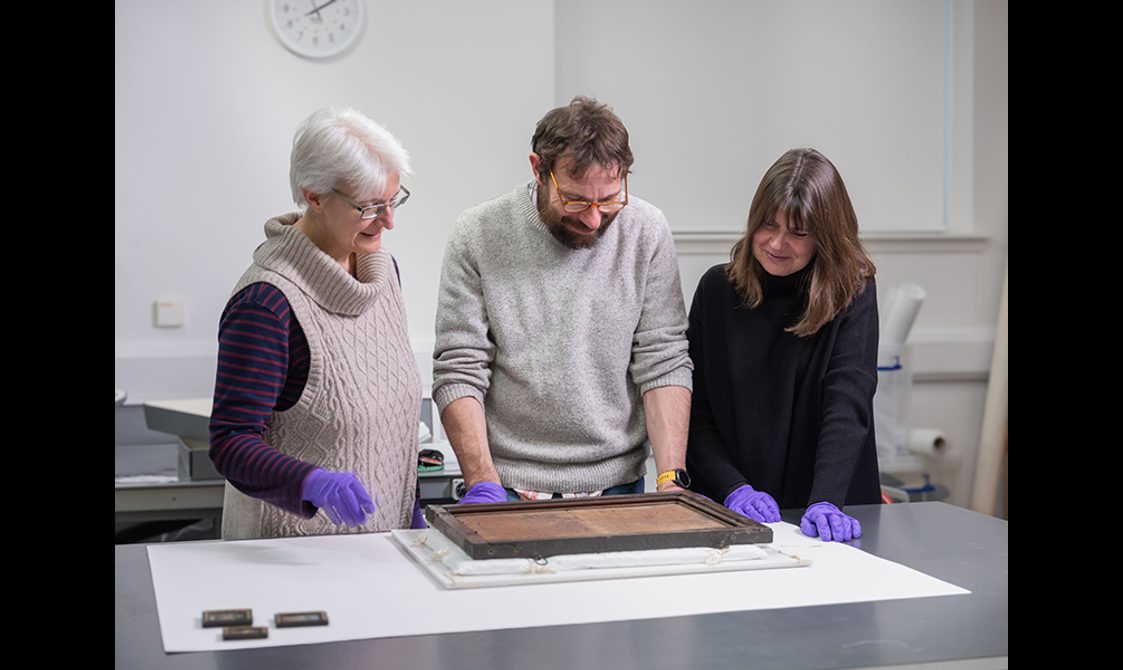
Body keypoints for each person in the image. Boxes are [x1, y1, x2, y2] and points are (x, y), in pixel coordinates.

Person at [432, 96, 693, 504]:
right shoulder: (478, 233)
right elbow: (460, 368)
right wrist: (482, 481)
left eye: (609, 200)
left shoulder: (647, 231)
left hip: (617, 482)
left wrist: (671, 478)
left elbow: (662, 359)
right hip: (506, 482)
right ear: (538, 169)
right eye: (575, 200)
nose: (592, 218)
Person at [209, 107, 424, 540]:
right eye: (370, 206)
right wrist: (309, 482)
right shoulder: (267, 304)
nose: (389, 220)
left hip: (385, 548)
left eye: (393, 200)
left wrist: (412, 514)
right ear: (315, 196)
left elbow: (395, 431)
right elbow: (231, 442)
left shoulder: (383, 276)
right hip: (292, 555)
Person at [686, 148, 881, 542]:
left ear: (826, 237)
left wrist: (826, 500)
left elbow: (847, 404)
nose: (777, 243)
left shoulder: (852, 292)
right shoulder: (716, 290)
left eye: (799, 233)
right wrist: (733, 488)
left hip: (825, 509)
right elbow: (695, 411)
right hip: (730, 507)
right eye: (768, 225)